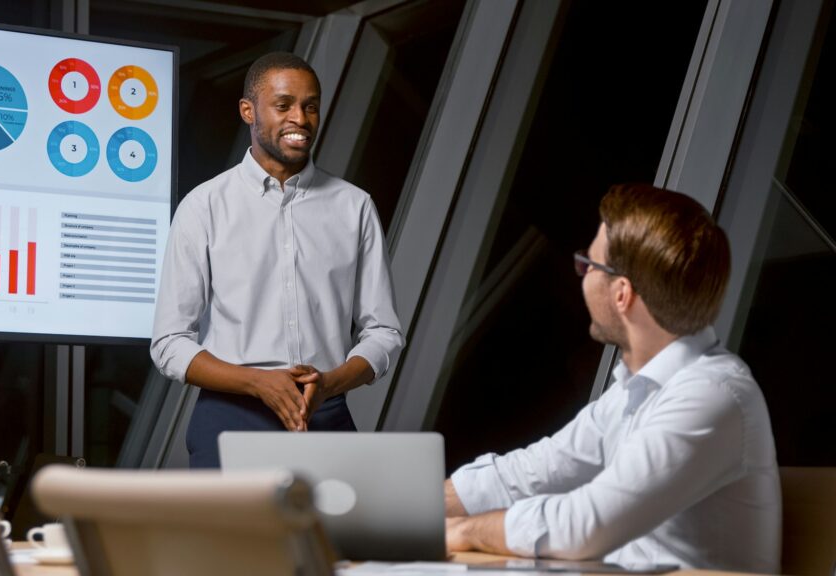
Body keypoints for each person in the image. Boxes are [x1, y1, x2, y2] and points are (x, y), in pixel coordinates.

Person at [444, 184, 780, 573]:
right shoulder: (633, 393)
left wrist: (466, 531)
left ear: (622, 294)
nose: (582, 276)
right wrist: (404, 511)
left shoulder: (712, 395)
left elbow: (585, 525)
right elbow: (532, 473)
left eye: (588, 263)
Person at [150, 52, 403, 468]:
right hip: (230, 416)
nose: (300, 119)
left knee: (339, 536)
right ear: (248, 110)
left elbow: (384, 331)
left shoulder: (355, 207)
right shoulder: (204, 206)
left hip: (325, 413)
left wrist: (330, 384)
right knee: (234, 537)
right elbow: (169, 342)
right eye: (284, 105)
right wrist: (257, 382)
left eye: (310, 106)